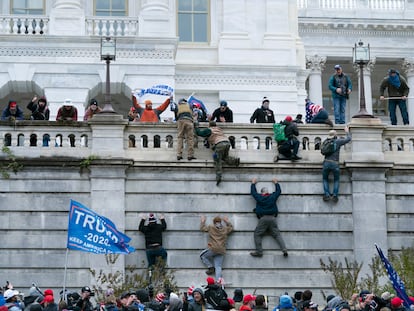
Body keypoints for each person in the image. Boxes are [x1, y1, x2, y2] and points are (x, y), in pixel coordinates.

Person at [249, 177, 288, 257]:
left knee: (257, 234)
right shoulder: (272, 197)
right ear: (268, 192)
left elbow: (253, 192)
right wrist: (276, 183)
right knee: (277, 235)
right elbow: (278, 191)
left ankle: (259, 252)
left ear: (262, 193)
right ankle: (284, 250)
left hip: (263, 219)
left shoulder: (260, 198)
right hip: (273, 218)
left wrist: (253, 183)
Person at [195, 121, 240, 186]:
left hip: (219, 144)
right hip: (227, 143)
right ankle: (235, 161)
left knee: (217, 159)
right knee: (224, 157)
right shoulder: (219, 129)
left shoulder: (209, 130)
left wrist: (196, 127)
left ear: (209, 125)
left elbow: (200, 133)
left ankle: (218, 176)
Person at [322, 126, 352, 203]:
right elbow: (348, 139)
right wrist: (347, 131)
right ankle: (335, 195)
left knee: (325, 179)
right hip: (335, 163)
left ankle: (327, 194)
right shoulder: (338, 141)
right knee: (336, 180)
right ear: (335, 135)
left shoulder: (325, 142)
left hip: (326, 162)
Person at [199, 215, 233, 280]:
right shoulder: (225, 229)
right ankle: (219, 283)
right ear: (220, 222)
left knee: (202, 256)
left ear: (214, 223)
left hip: (213, 249)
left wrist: (203, 221)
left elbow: (202, 228)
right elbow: (231, 228)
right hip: (221, 250)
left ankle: (211, 267)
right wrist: (227, 221)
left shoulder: (211, 227)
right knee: (218, 267)